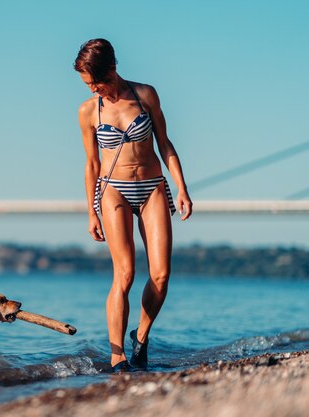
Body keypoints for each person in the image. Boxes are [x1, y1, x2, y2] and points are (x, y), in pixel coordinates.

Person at [74, 39, 193, 372]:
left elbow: (165, 144)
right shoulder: (89, 111)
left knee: (161, 275)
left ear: (112, 68)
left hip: (153, 186)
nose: (94, 88)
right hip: (114, 191)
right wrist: (91, 210)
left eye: (96, 81)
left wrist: (181, 187)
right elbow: (91, 165)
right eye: (88, 84)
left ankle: (140, 337)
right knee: (124, 274)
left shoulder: (145, 95)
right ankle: (117, 356)